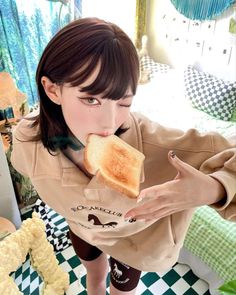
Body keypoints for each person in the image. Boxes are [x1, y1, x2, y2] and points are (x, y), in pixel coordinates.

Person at [11, 17, 236, 295]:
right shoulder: (28, 138)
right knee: (93, 279)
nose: (109, 123)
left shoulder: (154, 143)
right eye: (91, 99)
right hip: (82, 229)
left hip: (133, 242)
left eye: (123, 103)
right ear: (53, 89)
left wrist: (214, 189)